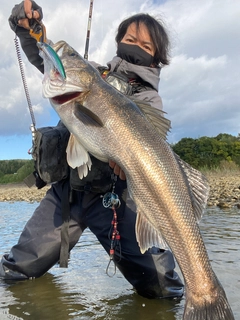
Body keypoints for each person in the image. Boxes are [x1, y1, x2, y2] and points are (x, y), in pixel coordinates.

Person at [0, 0, 184, 299]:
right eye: (129, 39)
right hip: (67, 195)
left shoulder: (149, 100)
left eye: (145, 44)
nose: (134, 46)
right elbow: (48, 59)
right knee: (16, 270)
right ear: (118, 41)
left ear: (157, 57)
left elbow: (149, 147)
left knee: (164, 288)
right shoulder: (93, 73)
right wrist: (29, 31)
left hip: (115, 201)